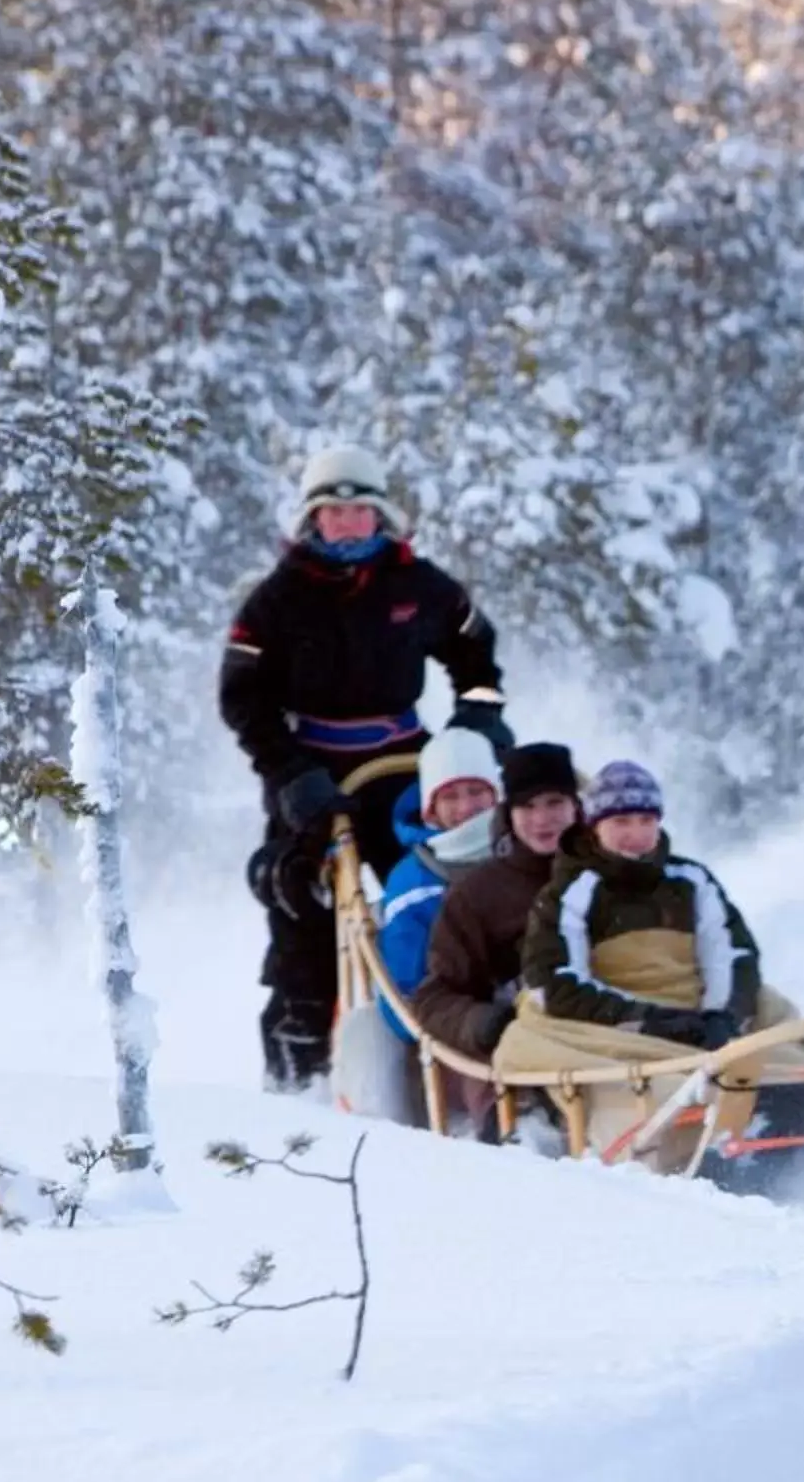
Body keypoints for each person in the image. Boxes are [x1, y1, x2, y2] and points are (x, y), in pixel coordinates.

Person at [221, 442, 512, 1091]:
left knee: (452, 888)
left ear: (380, 515)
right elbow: (242, 697)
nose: (348, 523)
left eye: (359, 511)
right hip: (313, 774)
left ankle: (475, 1037)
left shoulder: (419, 583)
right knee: (303, 919)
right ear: (312, 520)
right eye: (333, 511)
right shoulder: (277, 599)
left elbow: (476, 655)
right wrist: (289, 772)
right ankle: (300, 1077)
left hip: (405, 760)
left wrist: (480, 720)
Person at [497, 762, 804, 1178]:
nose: (635, 834)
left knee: (774, 1036)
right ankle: (683, 1141)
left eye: (646, 820)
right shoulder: (571, 891)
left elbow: (731, 953)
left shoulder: (690, 879)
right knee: (637, 1082)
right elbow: (557, 981)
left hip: (700, 1012)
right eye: (620, 822)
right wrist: (653, 1021)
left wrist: (723, 1015)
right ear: (595, 825)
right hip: (616, 1030)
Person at [413, 740, 581, 1078]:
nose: (542, 819)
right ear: (508, 812)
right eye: (527, 807)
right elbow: (434, 998)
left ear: (576, 806)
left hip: (612, 1032)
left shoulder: (610, 871)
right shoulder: (478, 895)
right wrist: (485, 1024)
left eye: (554, 803)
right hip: (518, 1051)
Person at [375, 728, 503, 1049]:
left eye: (476, 791)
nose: (466, 807)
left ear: (497, 795)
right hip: (454, 1032)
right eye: (450, 796)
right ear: (430, 809)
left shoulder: (525, 852)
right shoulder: (414, 886)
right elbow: (405, 996)